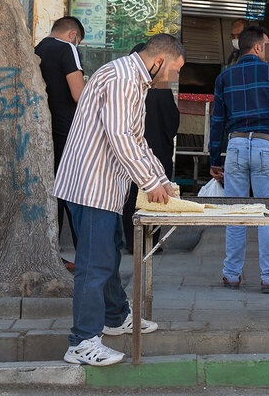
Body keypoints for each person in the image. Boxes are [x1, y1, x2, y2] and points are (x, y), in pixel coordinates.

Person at [55, 33, 185, 366]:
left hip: (105, 187)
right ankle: (82, 341)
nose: (171, 79)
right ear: (158, 61)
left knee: (109, 254)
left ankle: (115, 317)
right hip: (91, 185)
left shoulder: (133, 78)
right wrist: (150, 182)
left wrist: (161, 179)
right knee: (94, 265)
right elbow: (121, 137)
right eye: (172, 70)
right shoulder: (124, 78)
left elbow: (138, 140)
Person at [209, 26, 269, 293]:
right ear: (259, 47)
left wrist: (215, 157)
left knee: (236, 214)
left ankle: (231, 275)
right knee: (267, 214)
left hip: (236, 146)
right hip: (266, 146)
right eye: (268, 43)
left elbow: (217, 121)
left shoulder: (225, 77)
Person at [121, 42, 181, 254]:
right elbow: (172, 123)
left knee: (131, 200)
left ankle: (131, 242)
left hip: (134, 156)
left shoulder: (134, 87)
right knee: (155, 200)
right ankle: (152, 242)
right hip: (156, 152)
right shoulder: (157, 89)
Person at [34, 16, 85, 259]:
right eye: (79, 41)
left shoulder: (38, 48)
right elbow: (79, 94)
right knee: (72, 191)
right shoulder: (68, 48)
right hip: (68, 130)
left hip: (44, 130)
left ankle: (53, 251)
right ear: (73, 34)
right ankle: (83, 252)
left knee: (53, 193)